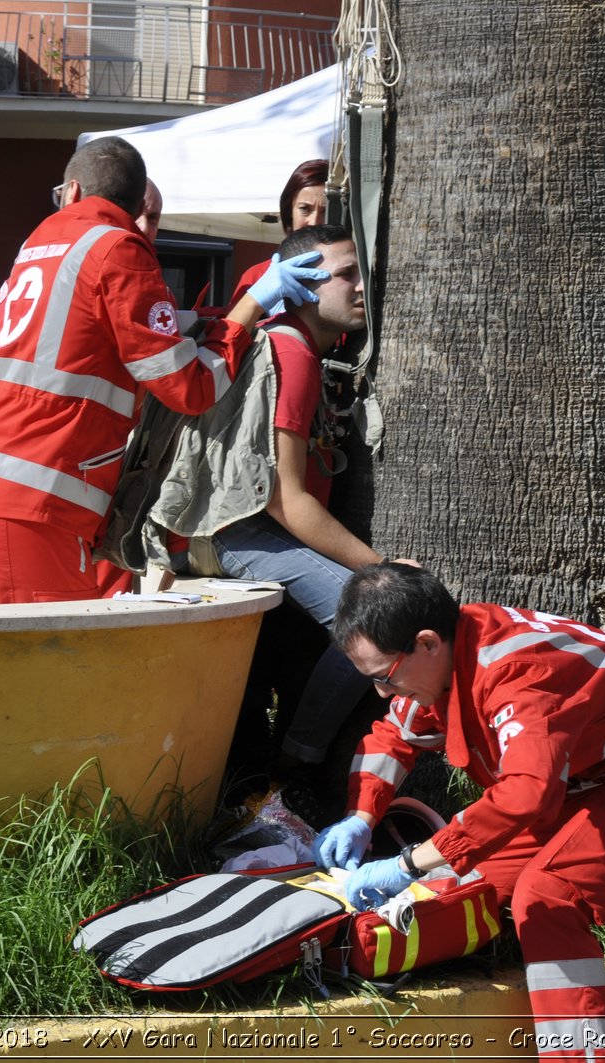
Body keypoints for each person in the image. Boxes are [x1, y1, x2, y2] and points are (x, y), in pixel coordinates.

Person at [314, 564, 605, 1062]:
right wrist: (361, 816)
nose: (383, 693)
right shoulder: (446, 657)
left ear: (426, 643)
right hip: (579, 781)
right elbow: (393, 738)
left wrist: (407, 863)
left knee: (546, 898)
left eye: (384, 677)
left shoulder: (519, 672)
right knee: (476, 881)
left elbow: (526, 795)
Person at [0, 138, 327, 605]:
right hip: (35, 496)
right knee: (57, 656)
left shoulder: (38, 245)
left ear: (71, 192)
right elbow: (190, 390)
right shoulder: (121, 250)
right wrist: (249, 307)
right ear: (135, 205)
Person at [206, 224, 386, 780]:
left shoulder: (293, 343)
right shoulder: (292, 352)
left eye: (364, 273)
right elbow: (286, 498)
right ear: (303, 285)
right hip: (239, 535)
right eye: (345, 274)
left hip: (258, 536)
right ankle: (294, 769)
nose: (362, 287)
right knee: (374, 617)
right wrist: (382, 571)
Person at [0, 179, 164, 387]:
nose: (143, 227)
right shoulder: (46, 266)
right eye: (134, 214)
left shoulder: (149, 287)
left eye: (153, 218)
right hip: (31, 415)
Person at [228, 158, 330, 307]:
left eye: (325, 211)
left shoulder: (357, 275)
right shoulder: (258, 276)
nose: (314, 222)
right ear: (289, 212)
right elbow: (232, 329)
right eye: (305, 209)